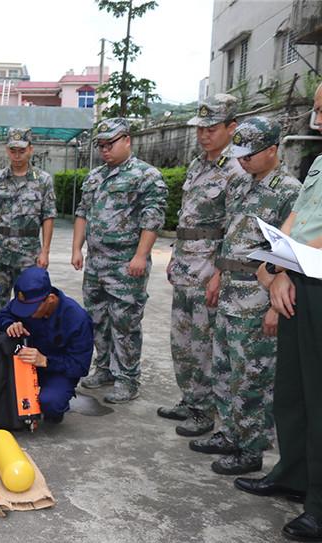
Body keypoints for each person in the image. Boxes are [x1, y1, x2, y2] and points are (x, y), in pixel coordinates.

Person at [188, 117, 300, 476]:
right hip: (230, 293)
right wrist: (217, 275)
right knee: (224, 369)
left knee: (253, 377)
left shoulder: (289, 192)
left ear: (272, 150)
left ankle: (251, 448)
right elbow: (230, 237)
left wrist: (274, 309)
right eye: (241, 154)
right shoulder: (241, 185)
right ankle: (229, 433)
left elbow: (290, 254)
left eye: (251, 154)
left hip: (258, 297)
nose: (244, 160)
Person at [235, 83, 322, 542]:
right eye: (317, 107)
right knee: (293, 391)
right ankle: (292, 474)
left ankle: (319, 504)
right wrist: (281, 267)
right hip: (301, 282)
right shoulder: (319, 162)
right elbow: (296, 222)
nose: (317, 118)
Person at [159, 94, 247, 437]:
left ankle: (206, 410)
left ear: (231, 128)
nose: (204, 134)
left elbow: (235, 227)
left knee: (205, 342)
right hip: (185, 265)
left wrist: (220, 272)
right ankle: (191, 398)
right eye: (201, 128)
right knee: (182, 341)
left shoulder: (237, 170)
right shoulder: (198, 165)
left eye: (212, 128)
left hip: (210, 269)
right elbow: (188, 218)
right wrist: (175, 256)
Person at [72, 118, 168, 403]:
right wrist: (77, 249)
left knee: (125, 321)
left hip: (126, 263)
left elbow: (153, 218)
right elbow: (82, 213)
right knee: (97, 319)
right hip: (96, 262)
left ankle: (127, 378)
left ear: (127, 140)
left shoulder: (146, 175)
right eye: (100, 145)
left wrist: (141, 255)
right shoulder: (95, 177)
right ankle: (104, 368)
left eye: (109, 144)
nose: (104, 150)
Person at [0, 127, 57, 332]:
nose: (16, 155)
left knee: (31, 299)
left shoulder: (43, 180)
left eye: (21, 150)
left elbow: (48, 216)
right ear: (7, 150)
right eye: (13, 150)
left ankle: (27, 345)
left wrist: (45, 251)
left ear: (30, 149)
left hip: (29, 252)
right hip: (0, 250)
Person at [0, 267, 94, 422]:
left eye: (32, 309)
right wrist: (10, 324)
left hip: (57, 372)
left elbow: (79, 366)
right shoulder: (27, 299)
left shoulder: (77, 319)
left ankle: (58, 400)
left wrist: (45, 361)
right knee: (7, 405)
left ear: (51, 299)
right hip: (24, 365)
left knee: (50, 404)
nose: (26, 313)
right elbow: (2, 315)